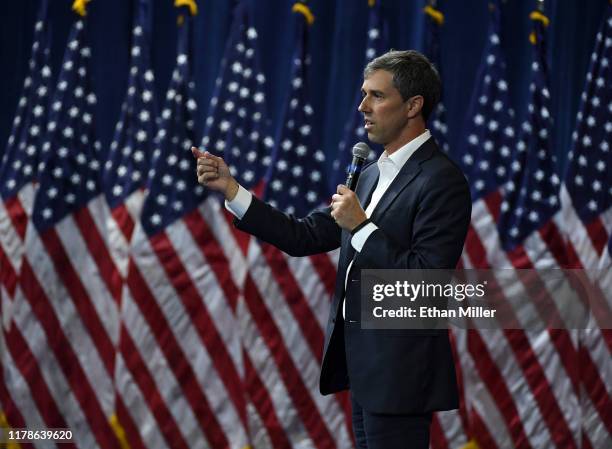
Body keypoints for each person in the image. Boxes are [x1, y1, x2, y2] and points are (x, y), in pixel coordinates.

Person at [194, 50, 471, 449]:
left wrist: (361, 225)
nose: (362, 107)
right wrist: (232, 190)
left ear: (413, 105)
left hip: (400, 375)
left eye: (376, 96)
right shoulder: (372, 173)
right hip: (362, 369)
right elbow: (303, 236)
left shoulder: (442, 181)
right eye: (363, 95)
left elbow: (425, 279)